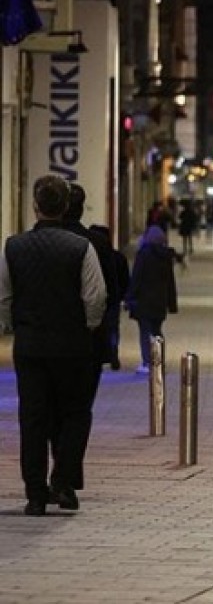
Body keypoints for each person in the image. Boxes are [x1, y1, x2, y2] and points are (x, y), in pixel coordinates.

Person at [0, 175, 107, 515]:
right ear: (65, 207)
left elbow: (3, 296)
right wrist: (87, 326)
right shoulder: (81, 248)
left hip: (30, 346)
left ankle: (35, 494)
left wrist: (12, 326)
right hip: (72, 345)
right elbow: (96, 296)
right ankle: (62, 481)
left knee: (32, 418)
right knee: (75, 414)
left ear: (36, 206)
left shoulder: (13, 247)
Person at [59, 184, 123, 376]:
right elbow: (110, 291)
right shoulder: (98, 242)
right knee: (82, 393)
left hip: (42, 341)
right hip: (88, 339)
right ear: (81, 209)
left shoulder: (29, 244)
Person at [125, 225, 179, 375]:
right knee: (157, 331)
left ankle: (147, 362)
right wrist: (172, 304)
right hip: (160, 302)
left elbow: (137, 277)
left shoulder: (143, 254)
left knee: (145, 332)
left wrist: (129, 297)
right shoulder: (166, 257)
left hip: (144, 301)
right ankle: (159, 361)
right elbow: (170, 282)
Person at [89, 225, 129, 371]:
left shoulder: (89, 258)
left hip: (94, 299)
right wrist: (123, 295)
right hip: (113, 299)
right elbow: (125, 279)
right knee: (113, 328)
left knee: (95, 328)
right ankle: (113, 352)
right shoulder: (118, 257)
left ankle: (98, 354)